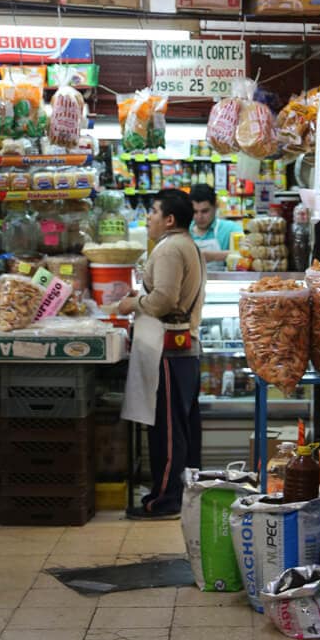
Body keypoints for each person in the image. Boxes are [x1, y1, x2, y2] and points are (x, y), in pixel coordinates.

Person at [118, 189, 206, 520]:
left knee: (168, 430)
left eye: (153, 212)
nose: (149, 217)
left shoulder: (170, 249)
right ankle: (179, 495)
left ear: (169, 219)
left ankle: (165, 501)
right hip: (181, 351)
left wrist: (132, 303)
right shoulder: (185, 245)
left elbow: (164, 301)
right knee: (181, 428)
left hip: (171, 351)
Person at [189, 182, 242, 265]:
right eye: (195, 212)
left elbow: (245, 254)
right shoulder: (184, 230)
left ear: (216, 206)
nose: (199, 217)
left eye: (205, 211)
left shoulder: (231, 229)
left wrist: (213, 256)